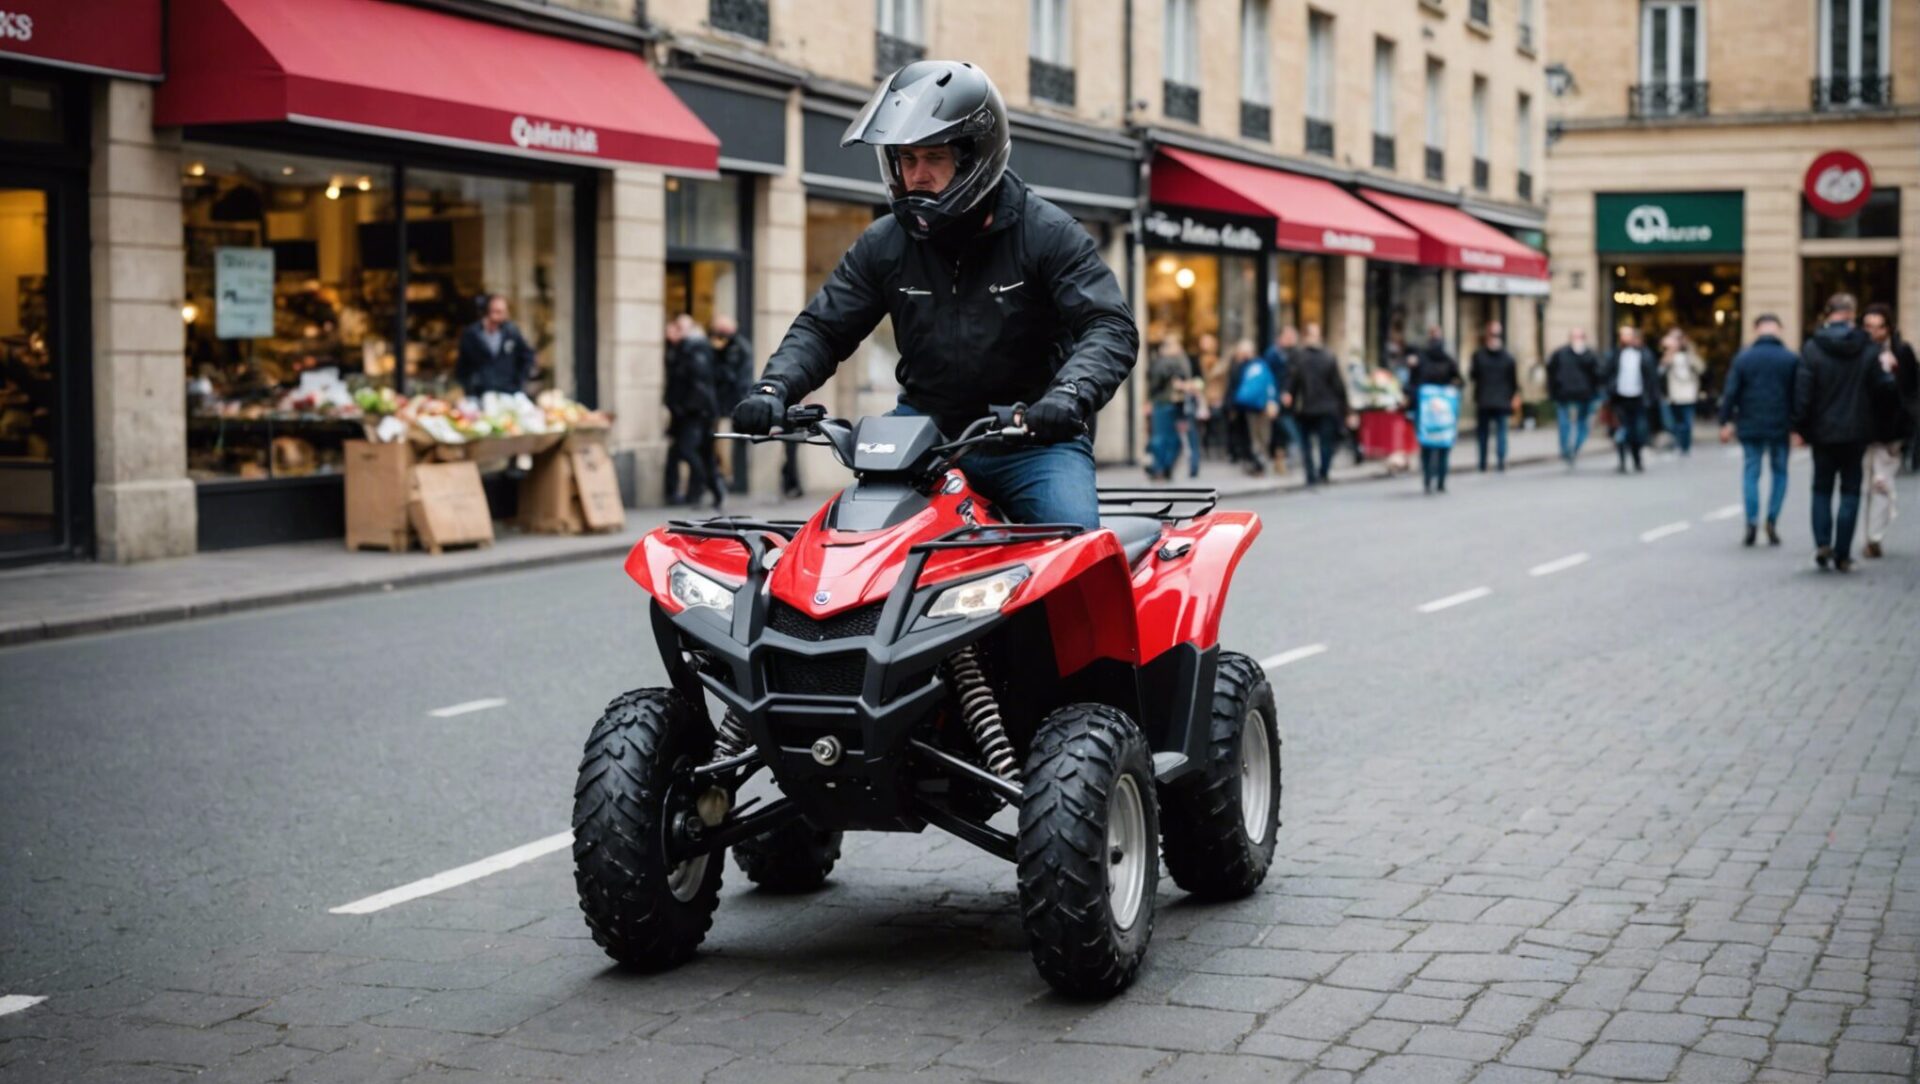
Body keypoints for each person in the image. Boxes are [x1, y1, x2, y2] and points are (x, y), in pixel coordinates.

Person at [730, 61, 1136, 530]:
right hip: (923, 434)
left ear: (975, 158)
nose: (917, 175)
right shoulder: (885, 242)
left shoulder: (1048, 233)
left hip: (1033, 437)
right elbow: (824, 328)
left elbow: (1109, 325)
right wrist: (774, 387)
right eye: (907, 159)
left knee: (1071, 545)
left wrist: (1070, 394)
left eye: (934, 158)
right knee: (853, 541)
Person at [1792, 293, 1898, 572]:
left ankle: (1822, 543)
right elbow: (1883, 389)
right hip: (1857, 431)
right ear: (1853, 314)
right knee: (1850, 491)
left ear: (1828, 313)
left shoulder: (1813, 347)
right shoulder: (1867, 348)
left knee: (1821, 489)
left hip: (1822, 432)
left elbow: (1803, 392)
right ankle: (1842, 553)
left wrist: (1800, 428)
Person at [1719, 314, 1798, 547]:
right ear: (1779, 329)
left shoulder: (1744, 358)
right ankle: (1772, 519)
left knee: (1751, 472)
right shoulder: (1790, 358)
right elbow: (1798, 395)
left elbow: (1731, 392)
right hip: (1781, 423)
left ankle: (1751, 521)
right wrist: (1798, 426)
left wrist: (1725, 421)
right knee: (1780, 472)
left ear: (1756, 330)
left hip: (1750, 422)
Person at [1860, 304, 1919, 557]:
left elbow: (1912, 389)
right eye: (1868, 327)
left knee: (1881, 483)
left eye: (1879, 327)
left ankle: (1873, 537)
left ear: (1888, 327)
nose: (1873, 332)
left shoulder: (1901, 352)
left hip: (1891, 430)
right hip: (1862, 429)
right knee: (1865, 485)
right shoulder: (1858, 352)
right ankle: (1869, 534)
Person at [663, 313, 725, 510]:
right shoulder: (684, 349)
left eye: (681, 328)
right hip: (690, 412)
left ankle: (703, 487)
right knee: (698, 452)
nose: (676, 331)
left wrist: (686, 408)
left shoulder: (695, 349)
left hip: (696, 412)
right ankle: (710, 490)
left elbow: (699, 384)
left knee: (690, 451)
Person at [1284, 321, 1355, 487]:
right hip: (1321, 407)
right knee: (1323, 443)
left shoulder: (1301, 357)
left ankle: (1314, 474)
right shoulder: (1327, 356)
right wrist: (1347, 409)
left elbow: (1292, 381)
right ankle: (1321, 473)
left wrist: (1289, 394)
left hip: (1311, 407)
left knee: (1311, 443)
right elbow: (1338, 386)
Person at [1406, 324, 1463, 494]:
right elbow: (1459, 381)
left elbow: (1412, 383)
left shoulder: (1423, 359)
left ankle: (1430, 479)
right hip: (1436, 410)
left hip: (1428, 410)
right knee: (1441, 445)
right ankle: (1438, 480)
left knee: (1428, 445)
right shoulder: (1445, 360)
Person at [454, 294, 539, 396]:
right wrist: (470, 385)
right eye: (498, 311)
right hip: (480, 392)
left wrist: (519, 380)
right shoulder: (472, 334)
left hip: (508, 390)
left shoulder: (511, 331)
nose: (503, 315)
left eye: (504, 311)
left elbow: (527, 356)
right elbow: (462, 366)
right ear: (487, 311)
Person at [1601, 326, 1660, 473]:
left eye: (1629, 335)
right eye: (1623, 335)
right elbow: (1605, 374)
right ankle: (1622, 461)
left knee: (1638, 431)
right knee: (1621, 430)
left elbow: (1652, 378)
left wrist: (1653, 397)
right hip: (1620, 398)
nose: (1626, 338)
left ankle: (1637, 459)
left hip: (1639, 398)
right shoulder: (1614, 355)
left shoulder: (1644, 354)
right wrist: (1608, 393)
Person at [710, 314, 755, 490]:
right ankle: (727, 478)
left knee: (734, 443)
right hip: (723, 403)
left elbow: (737, 378)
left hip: (734, 403)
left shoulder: (738, 348)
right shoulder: (727, 347)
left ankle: (737, 480)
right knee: (722, 443)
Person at [1545, 327, 1602, 466]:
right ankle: (1566, 450)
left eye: (1579, 337)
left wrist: (1597, 394)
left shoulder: (1590, 355)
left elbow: (1598, 375)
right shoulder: (1560, 354)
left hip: (1584, 395)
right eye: (1575, 337)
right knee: (1564, 424)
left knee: (1583, 424)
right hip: (1564, 394)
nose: (1577, 340)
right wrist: (1552, 392)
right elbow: (1551, 373)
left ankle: (1574, 448)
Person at [1469, 321, 1519, 472]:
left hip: (1486, 399)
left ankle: (1483, 463)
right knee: (1499, 432)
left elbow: (1473, 375)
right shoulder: (1507, 357)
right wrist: (1513, 394)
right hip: (1498, 399)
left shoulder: (1479, 356)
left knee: (1485, 433)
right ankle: (1500, 461)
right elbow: (1513, 381)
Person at [1226, 338, 1278, 476]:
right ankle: (1256, 462)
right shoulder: (1240, 366)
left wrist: (1272, 401)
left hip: (1258, 406)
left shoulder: (1257, 366)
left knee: (1261, 436)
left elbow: (1269, 384)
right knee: (1253, 436)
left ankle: (1260, 462)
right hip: (1246, 407)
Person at [1145, 337, 1192, 482]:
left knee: (1161, 437)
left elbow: (1154, 384)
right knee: (1173, 438)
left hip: (1163, 403)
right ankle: (1166, 467)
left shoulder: (1161, 363)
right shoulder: (1182, 361)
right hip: (1177, 404)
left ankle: (1160, 468)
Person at [1261, 327, 1301, 474]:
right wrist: (1273, 398)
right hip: (1278, 400)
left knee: (1281, 433)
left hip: (1288, 400)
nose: (1292, 340)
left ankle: (1281, 463)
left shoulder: (1292, 353)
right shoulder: (1274, 354)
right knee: (1285, 432)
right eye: (1289, 337)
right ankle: (1281, 462)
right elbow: (1269, 378)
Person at [1660, 329, 1705, 456]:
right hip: (1673, 395)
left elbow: (1701, 368)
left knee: (1687, 422)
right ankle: (1679, 444)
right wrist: (1670, 351)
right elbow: (1661, 370)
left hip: (1688, 394)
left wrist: (1690, 352)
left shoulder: (1689, 354)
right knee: (1674, 423)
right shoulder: (1669, 355)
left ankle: (1686, 445)